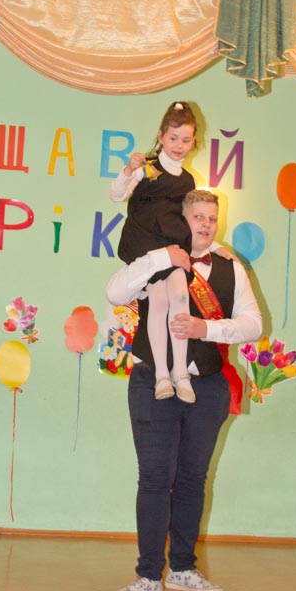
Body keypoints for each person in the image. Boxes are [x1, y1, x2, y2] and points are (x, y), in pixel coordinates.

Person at [107, 189, 263, 591]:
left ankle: (182, 569)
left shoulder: (230, 267)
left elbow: (253, 324)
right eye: (198, 217)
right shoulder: (155, 258)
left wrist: (206, 329)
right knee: (155, 478)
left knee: (194, 479)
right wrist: (160, 258)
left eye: (212, 218)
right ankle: (147, 576)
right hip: (153, 385)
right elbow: (115, 293)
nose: (206, 225)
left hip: (207, 387)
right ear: (181, 219)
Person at [109, 101, 198, 404]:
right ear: (161, 136)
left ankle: (180, 373)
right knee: (158, 301)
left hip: (172, 243)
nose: (179, 145)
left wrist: (215, 248)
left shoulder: (188, 180)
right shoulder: (147, 167)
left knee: (181, 296)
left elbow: (189, 220)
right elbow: (116, 195)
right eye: (173, 138)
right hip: (145, 243)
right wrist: (128, 170)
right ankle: (162, 374)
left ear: (193, 142)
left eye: (186, 140)